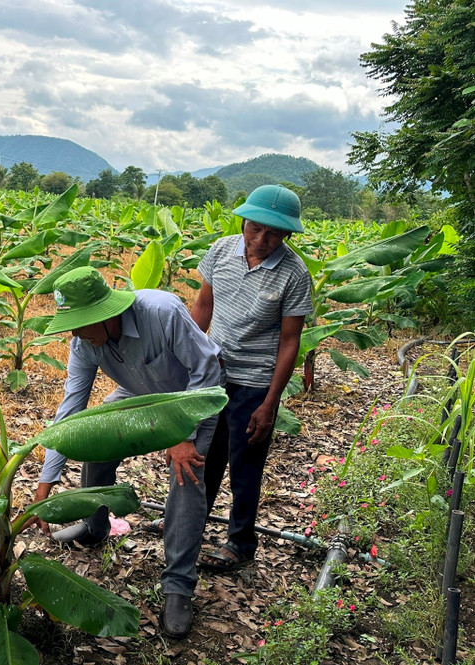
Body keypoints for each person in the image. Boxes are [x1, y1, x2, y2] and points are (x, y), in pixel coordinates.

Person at [32, 266, 222, 639]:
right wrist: (46, 480)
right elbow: (71, 411)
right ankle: (95, 524)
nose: (74, 332)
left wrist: (182, 433)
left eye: (81, 323)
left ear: (107, 314)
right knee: (95, 440)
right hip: (137, 393)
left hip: (192, 395)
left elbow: (207, 370)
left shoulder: (162, 313)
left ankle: (178, 585)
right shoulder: (85, 343)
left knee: (186, 476)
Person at [192, 184, 313, 571]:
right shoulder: (221, 250)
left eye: (275, 233)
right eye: (255, 228)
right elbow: (203, 306)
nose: (262, 239)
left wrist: (270, 402)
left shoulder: (294, 273)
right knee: (203, 454)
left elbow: (290, 341)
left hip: (257, 381)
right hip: (214, 371)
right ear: (243, 221)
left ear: (288, 234)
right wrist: (188, 362)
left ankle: (241, 543)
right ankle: (192, 522)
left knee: (245, 463)